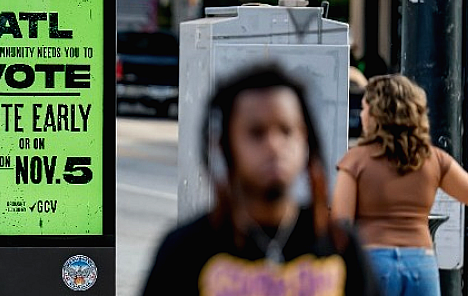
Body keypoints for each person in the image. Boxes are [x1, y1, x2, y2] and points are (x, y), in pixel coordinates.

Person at [142, 65, 379, 295]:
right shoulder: (186, 252)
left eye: (286, 131)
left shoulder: (339, 247)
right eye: (256, 133)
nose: (274, 146)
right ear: (225, 145)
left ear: (306, 140)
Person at [332, 73, 468, 296]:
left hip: (374, 263)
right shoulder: (434, 159)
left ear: (378, 114)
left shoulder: (355, 161)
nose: (363, 114)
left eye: (366, 108)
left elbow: (341, 225)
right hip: (421, 265)